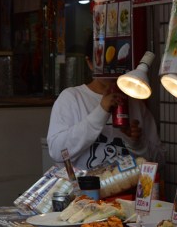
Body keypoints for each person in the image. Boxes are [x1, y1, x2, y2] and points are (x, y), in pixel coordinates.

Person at [47, 38, 163, 170]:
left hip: (129, 188)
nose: (111, 68)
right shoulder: (71, 98)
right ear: (89, 63)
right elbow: (57, 152)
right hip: (86, 190)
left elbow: (160, 160)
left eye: (117, 59)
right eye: (105, 61)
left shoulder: (135, 103)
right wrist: (101, 111)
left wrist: (137, 143)